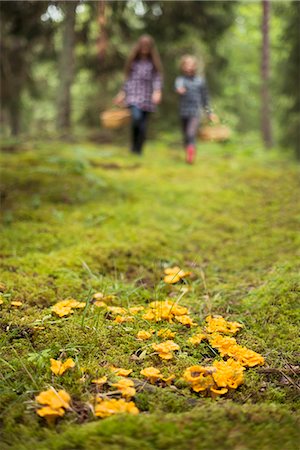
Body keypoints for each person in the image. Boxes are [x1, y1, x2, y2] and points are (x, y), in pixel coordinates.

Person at [114, 35, 163, 155]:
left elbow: (157, 78)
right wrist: (122, 93)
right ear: (139, 46)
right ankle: (134, 145)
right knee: (136, 119)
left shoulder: (153, 63)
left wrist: (157, 91)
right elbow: (128, 80)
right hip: (133, 96)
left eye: (147, 46)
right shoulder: (133, 62)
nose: (145, 48)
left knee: (143, 125)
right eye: (143, 45)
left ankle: (138, 149)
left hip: (147, 97)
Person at [175, 55, 217, 164]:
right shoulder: (180, 80)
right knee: (186, 135)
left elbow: (205, 99)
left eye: (191, 64)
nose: (189, 67)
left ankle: (190, 156)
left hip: (195, 112)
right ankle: (189, 150)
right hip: (183, 112)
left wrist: (210, 113)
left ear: (195, 66)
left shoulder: (200, 81)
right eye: (186, 64)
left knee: (190, 133)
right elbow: (178, 86)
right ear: (183, 66)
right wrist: (179, 90)